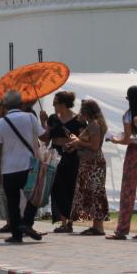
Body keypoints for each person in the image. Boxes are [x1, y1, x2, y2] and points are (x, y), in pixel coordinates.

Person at [0, 90, 45, 243]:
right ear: (21, 104)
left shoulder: (0, 123)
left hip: (9, 169)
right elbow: (44, 137)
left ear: (6, 106)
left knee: (12, 202)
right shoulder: (30, 117)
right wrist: (44, 121)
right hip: (29, 166)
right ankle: (27, 223)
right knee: (34, 196)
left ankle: (16, 235)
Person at [107, 86, 137, 240]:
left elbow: (126, 139)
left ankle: (122, 229)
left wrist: (114, 139)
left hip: (133, 153)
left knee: (127, 193)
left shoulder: (128, 115)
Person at [67, 99, 110, 235]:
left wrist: (78, 141)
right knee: (92, 193)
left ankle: (98, 227)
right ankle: (97, 226)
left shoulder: (94, 125)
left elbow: (94, 146)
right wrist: (77, 141)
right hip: (91, 163)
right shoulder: (94, 124)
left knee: (95, 193)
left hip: (93, 164)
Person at [46, 91, 84, 233]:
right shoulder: (52, 118)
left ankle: (70, 221)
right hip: (55, 155)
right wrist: (43, 121)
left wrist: (73, 144)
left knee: (71, 187)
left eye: (55, 103)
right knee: (56, 188)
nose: (53, 105)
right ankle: (63, 221)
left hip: (72, 155)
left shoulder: (78, 119)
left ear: (63, 103)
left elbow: (84, 138)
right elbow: (45, 138)